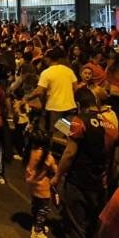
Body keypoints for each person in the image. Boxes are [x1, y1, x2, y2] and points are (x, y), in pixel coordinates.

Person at [51, 87, 119, 238]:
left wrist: (57, 176)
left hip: (79, 182)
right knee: (91, 226)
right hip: (100, 185)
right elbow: (113, 160)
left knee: (75, 227)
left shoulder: (80, 120)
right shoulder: (112, 125)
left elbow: (69, 153)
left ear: (78, 103)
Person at [26, 47, 77, 133]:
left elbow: (39, 91)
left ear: (48, 59)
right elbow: (75, 87)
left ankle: (56, 146)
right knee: (67, 132)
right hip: (70, 106)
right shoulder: (68, 70)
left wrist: (27, 98)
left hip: (55, 108)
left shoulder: (46, 73)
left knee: (55, 133)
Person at [24, 129, 57, 238]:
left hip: (31, 185)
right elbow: (55, 170)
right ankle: (37, 231)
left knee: (35, 205)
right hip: (43, 189)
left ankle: (36, 224)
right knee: (43, 210)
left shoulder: (30, 152)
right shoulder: (47, 157)